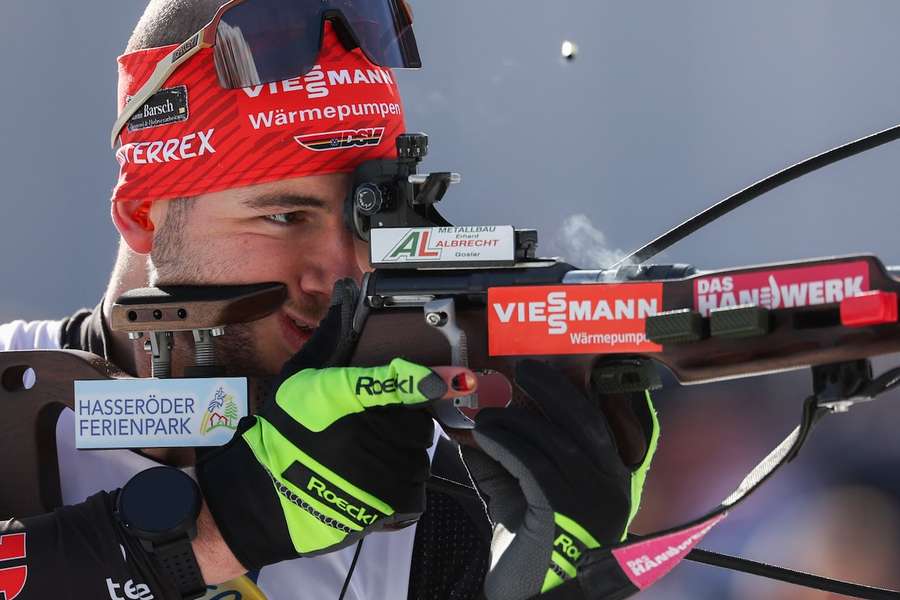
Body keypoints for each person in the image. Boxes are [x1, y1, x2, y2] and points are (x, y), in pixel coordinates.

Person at [0, 1, 658, 599]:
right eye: (287, 217)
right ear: (145, 213)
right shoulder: (15, 395)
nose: (344, 273)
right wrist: (216, 535)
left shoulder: (435, 494)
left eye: (371, 222)